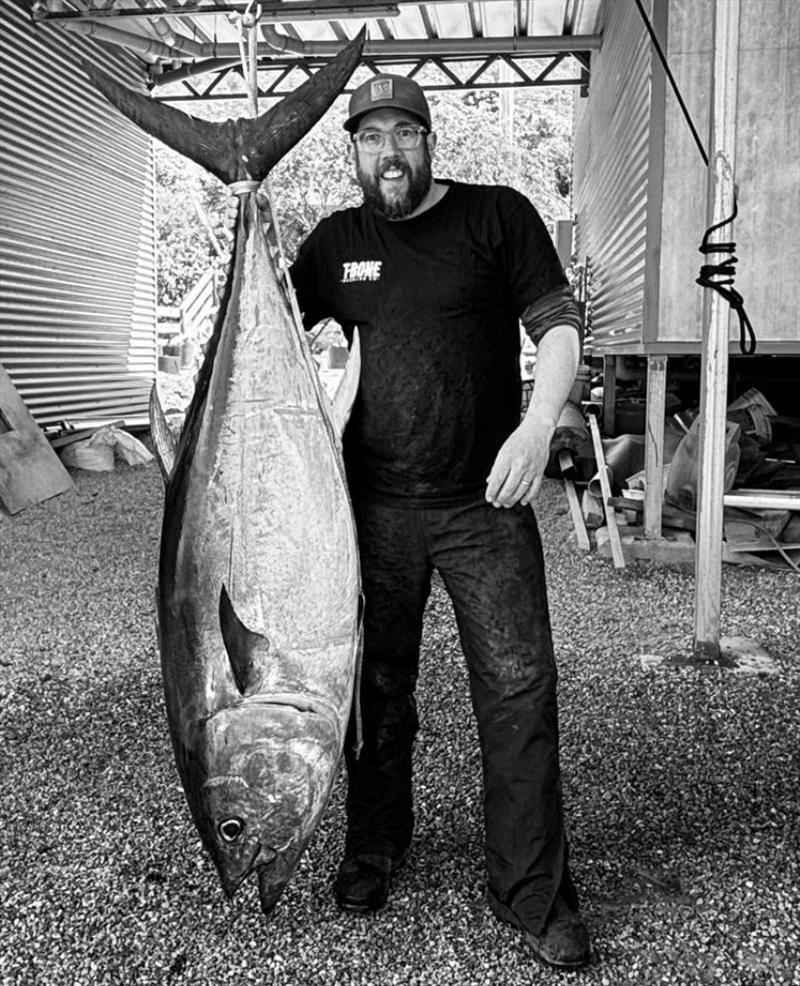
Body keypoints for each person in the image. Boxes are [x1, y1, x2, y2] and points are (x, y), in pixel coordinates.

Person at [289, 74, 590, 971]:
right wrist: (246, 220)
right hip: (372, 508)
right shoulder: (339, 243)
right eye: (371, 138)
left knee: (518, 694)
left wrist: (540, 426)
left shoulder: (499, 216)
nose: (390, 154)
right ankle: (375, 847)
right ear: (352, 152)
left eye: (405, 135)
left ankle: (531, 890)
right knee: (374, 694)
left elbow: (561, 326)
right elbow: (269, 322)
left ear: (430, 140)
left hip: (484, 506)